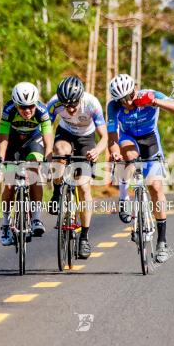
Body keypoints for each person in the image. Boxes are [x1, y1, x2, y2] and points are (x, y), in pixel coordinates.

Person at [106, 73, 174, 263]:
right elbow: (112, 138)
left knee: (156, 187)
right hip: (128, 138)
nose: (125, 103)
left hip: (150, 139)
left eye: (127, 98)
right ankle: (123, 199)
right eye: (120, 100)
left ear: (134, 91)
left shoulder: (151, 95)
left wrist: (156, 103)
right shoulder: (113, 106)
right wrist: (114, 151)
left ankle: (162, 241)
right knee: (128, 155)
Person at [46, 76, 107, 259]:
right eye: (66, 106)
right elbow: (45, 128)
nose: (70, 109)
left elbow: (104, 136)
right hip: (65, 133)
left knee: (83, 185)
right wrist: (47, 151)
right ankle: (57, 192)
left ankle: (85, 238)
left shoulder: (92, 104)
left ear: (80, 98)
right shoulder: (54, 104)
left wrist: (97, 151)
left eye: (73, 105)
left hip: (86, 139)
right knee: (59, 151)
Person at [0, 82, 53, 246]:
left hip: (33, 141)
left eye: (31, 107)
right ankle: (6, 224)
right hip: (13, 142)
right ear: (16, 105)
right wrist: (0, 161)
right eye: (22, 108)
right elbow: (3, 138)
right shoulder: (8, 111)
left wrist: (48, 161)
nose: (27, 111)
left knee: (34, 169)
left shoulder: (42, 111)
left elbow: (48, 138)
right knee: (8, 184)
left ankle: (36, 219)